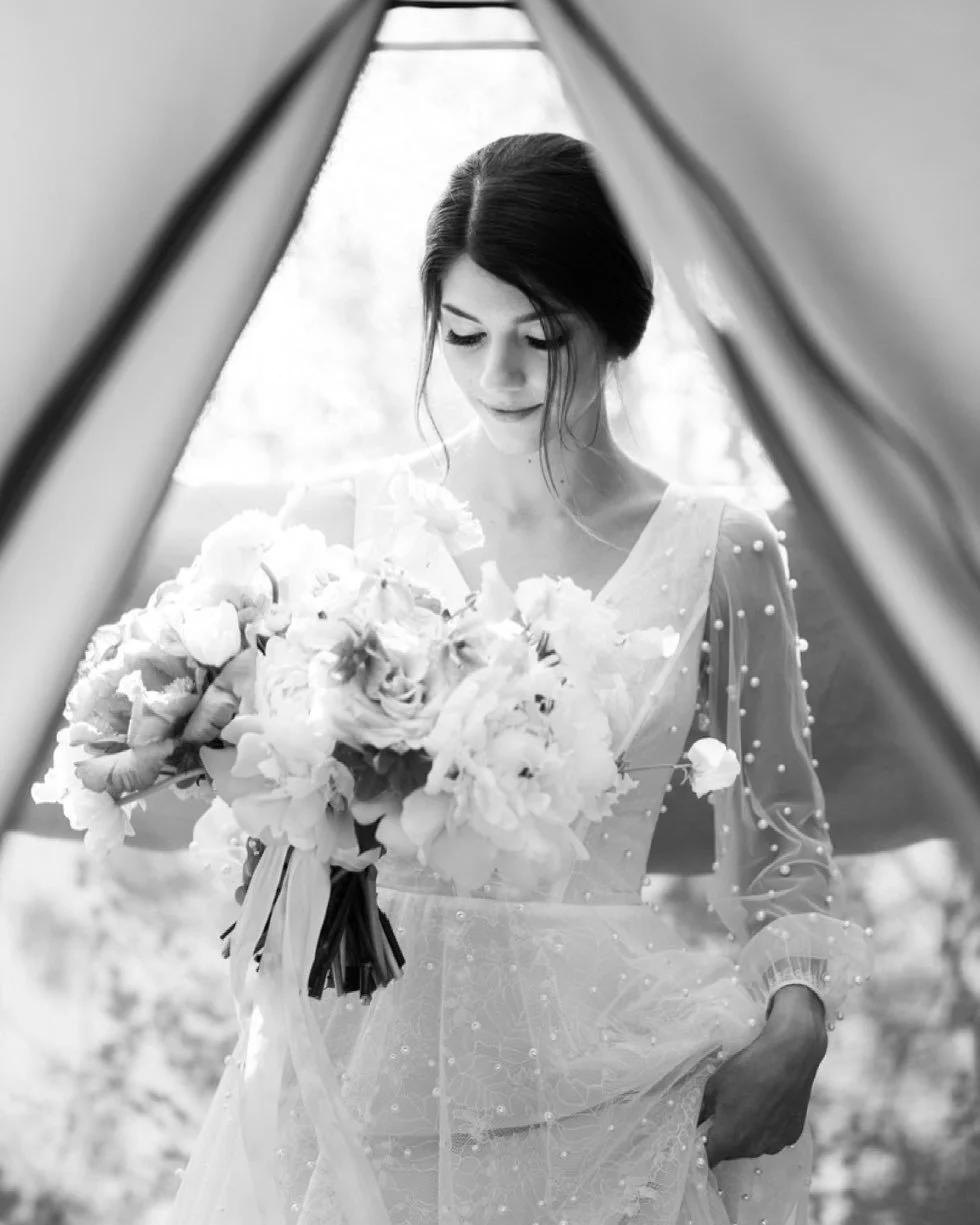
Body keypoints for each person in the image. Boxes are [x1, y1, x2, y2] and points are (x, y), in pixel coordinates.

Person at [58, 133, 879, 1224]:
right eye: (462, 333)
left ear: (616, 320)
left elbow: (781, 843)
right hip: (359, 1089)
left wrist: (796, 1025)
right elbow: (270, 852)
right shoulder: (336, 523)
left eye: (541, 337)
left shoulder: (719, 548)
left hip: (616, 1096)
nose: (500, 377)